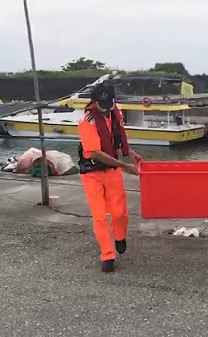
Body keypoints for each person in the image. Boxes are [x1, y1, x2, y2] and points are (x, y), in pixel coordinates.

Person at [77, 81, 143, 273]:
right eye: (102, 106)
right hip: (92, 173)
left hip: (112, 172)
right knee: (99, 217)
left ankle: (120, 236)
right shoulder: (87, 122)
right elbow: (95, 152)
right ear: (94, 103)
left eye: (109, 105)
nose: (106, 110)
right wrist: (124, 165)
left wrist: (131, 153)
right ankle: (107, 255)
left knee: (119, 212)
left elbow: (118, 139)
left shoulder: (116, 113)